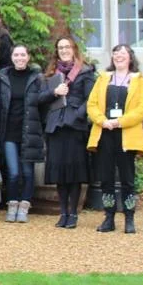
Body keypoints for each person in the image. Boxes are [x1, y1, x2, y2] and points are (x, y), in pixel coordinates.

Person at [86, 44, 143, 234]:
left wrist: (119, 122)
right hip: (105, 134)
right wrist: (102, 120)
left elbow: (142, 108)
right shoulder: (103, 79)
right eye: (115, 54)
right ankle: (109, 217)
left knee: (127, 179)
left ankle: (129, 217)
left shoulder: (138, 81)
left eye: (122, 54)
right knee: (105, 178)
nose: (118, 57)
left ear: (130, 57)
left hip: (126, 135)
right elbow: (92, 104)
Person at [38, 36, 95, 229]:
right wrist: (54, 92)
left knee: (74, 172)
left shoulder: (85, 72)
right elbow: (41, 99)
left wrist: (77, 115)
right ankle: (63, 212)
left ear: (74, 49)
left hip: (75, 126)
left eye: (67, 47)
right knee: (60, 172)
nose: (63, 50)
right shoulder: (51, 74)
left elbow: (91, 99)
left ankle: (73, 213)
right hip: (55, 127)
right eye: (60, 47)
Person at [0, 44, 44, 223]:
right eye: (16, 55)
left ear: (28, 57)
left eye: (23, 55)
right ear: (12, 57)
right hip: (9, 131)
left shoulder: (36, 78)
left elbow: (42, 101)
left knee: (27, 172)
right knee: (13, 172)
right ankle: (12, 203)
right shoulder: (3, 77)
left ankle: (24, 205)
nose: (19, 58)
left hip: (29, 130)